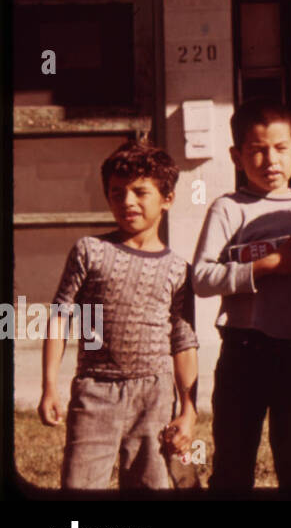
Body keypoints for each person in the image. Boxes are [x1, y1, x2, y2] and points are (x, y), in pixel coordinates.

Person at [192, 99, 291, 491]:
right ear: (236, 155)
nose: (269, 160)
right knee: (232, 461)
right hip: (243, 349)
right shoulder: (227, 209)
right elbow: (202, 278)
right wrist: (265, 266)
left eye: (279, 148)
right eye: (256, 150)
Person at [39, 142, 198, 490]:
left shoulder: (179, 269)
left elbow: (183, 340)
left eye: (141, 192)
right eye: (117, 192)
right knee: (79, 486)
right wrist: (49, 386)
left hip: (154, 395)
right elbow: (60, 314)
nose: (127, 201)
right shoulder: (90, 251)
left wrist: (188, 408)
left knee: (152, 485)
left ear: (167, 199)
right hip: (95, 389)